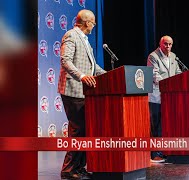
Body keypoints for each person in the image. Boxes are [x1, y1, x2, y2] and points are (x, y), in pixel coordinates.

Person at [57, 9, 107, 179]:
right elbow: (65, 61)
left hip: (85, 93)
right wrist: (82, 76)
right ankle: (68, 170)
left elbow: (93, 66)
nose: (94, 25)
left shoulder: (85, 40)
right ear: (87, 23)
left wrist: (111, 75)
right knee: (78, 131)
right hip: (73, 90)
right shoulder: (71, 35)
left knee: (85, 131)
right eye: (93, 22)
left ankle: (78, 168)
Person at [147, 35, 182, 162]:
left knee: (165, 125)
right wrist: (170, 84)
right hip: (156, 97)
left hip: (169, 97)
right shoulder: (153, 56)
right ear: (160, 44)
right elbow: (154, 76)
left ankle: (164, 150)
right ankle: (153, 153)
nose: (168, 47)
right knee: (155, 126)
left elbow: (177, 72)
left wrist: (181, 80)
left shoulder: (173, 56)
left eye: (170, 44)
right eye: (166, 44)